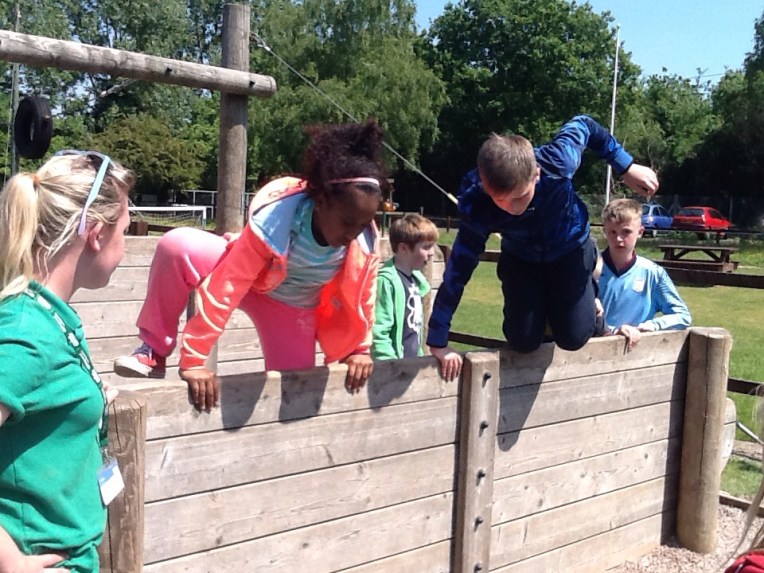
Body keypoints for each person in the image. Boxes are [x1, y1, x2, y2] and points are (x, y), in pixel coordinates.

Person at [114, 120, 387, 409]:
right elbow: (227, 285)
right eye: (347, 223)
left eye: (362, 225)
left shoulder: (363, 243)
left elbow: (364, 298)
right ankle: (154, 350)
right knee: (177, 246)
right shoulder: (276, 221)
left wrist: (359, 350)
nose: (352, 234)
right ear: (321, 201)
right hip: (247, 274)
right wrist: (194, 360)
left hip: (292, 307)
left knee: (296, 396)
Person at [426, 115, 660, 380]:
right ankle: (546, 309)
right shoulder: (476, 201)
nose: (512, 209)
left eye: (519, 197)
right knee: (523, 342)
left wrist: (626, 166)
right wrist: (438, 339)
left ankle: (589, 299)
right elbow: (458, 270)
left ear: (536, 175)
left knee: (574, 337)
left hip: (571, 249)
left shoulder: (557, 161)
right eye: (500, 200)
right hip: (522, 257)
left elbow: (584, 124)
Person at [0, 151, 134, 573]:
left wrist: (84, 394)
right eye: (125, 231)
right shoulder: (26, 333)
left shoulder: (45, 315)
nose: (125, 247)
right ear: (96, 234)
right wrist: (9, 562)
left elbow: (39, 393)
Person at [599, 198, 691, 351]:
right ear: (605, 232)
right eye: (612, 232)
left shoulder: (653, 273)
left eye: (626, 232)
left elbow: (682, 316)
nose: (618, 239)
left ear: (640, 232)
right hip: (591, 354)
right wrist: (613, 330)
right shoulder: (589, 269)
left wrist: (652, 325)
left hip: (637, 354)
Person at [372, 213, 439, 360]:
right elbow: (379, 331)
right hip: (392, 367)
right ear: (403, 248)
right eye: (426, 247)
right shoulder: (386, 282)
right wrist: (390, 365)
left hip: (411, 364)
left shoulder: (416, 281)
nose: (432, 253)